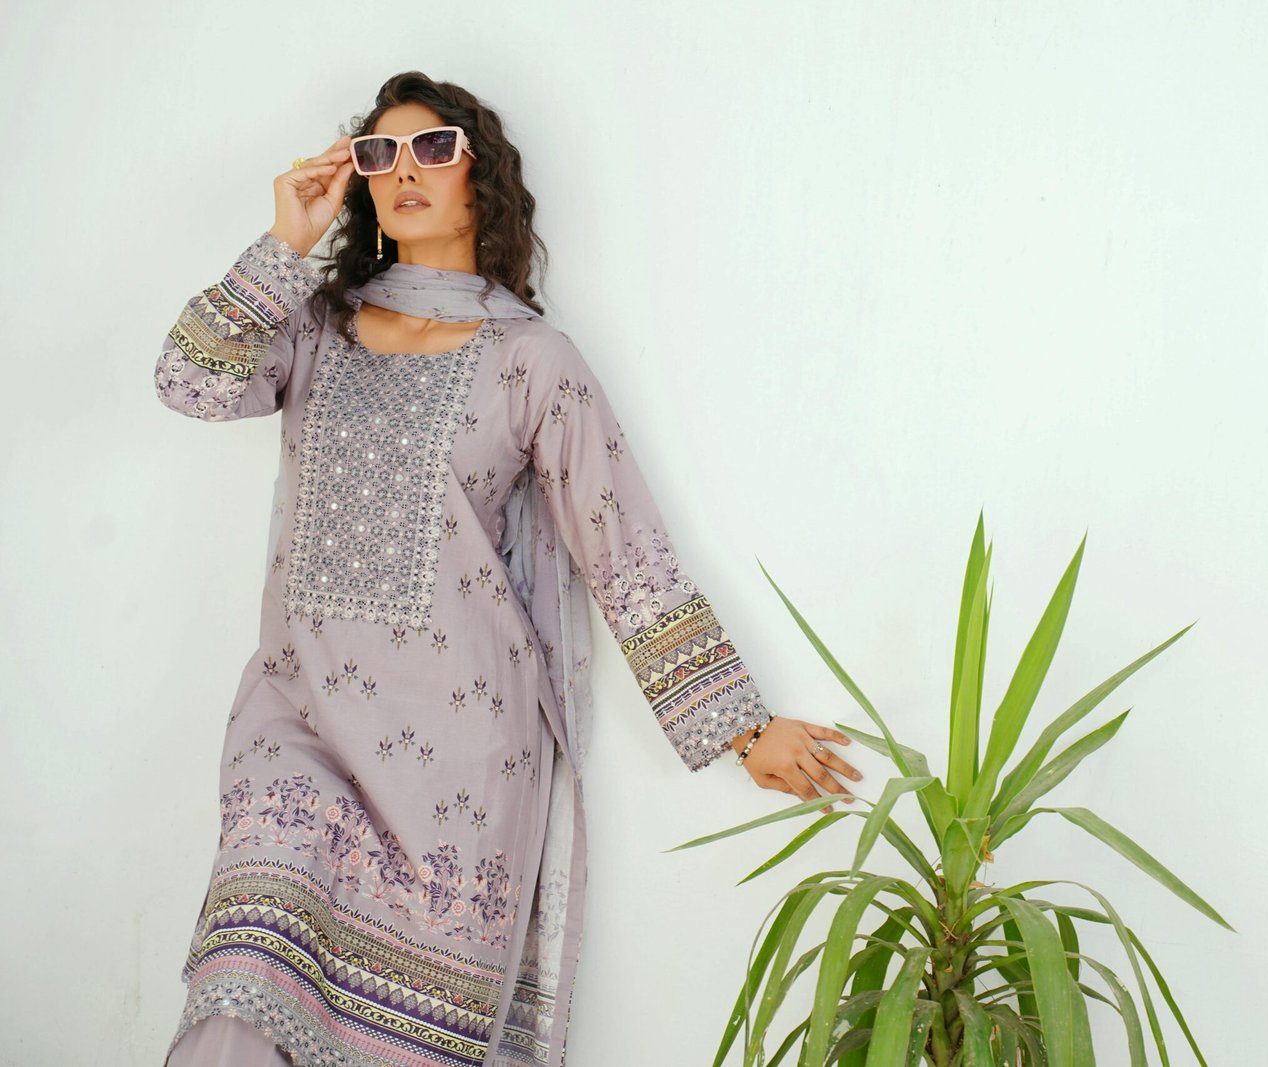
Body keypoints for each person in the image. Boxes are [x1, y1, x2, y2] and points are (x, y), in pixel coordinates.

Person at [157, 71, 863, 1067]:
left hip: (455, 765)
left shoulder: (533, 359)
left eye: (431, 150)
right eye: (377, 155)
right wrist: (285, 243)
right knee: (234, 1004)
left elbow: (623, 548)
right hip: (297, 726)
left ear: (479, 178)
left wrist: (740, 725)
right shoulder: (312, 325)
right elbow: (189, 383)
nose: (403, 171)